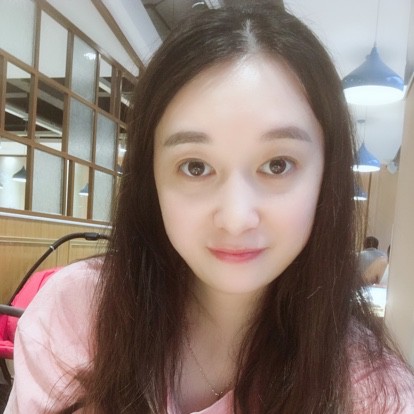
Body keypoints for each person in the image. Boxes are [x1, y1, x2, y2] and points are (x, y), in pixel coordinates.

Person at [5, 4, 414, 413]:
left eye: (277, 165)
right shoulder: (74, 316)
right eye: (195, 167)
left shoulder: (371, 394)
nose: (236, 218)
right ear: (151, 178)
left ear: (326, 177)